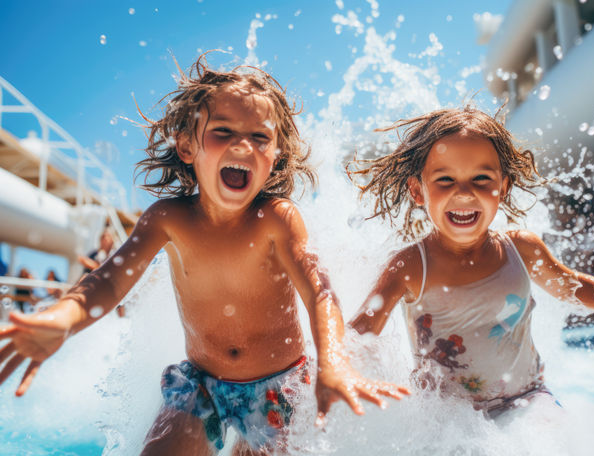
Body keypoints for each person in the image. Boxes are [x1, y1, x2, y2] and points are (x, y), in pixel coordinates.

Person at [0, 54, 407, 456]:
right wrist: (63, 316)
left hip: (278, 386)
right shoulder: (169, 219)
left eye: (260, 137)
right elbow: (109, 280)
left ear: (276, 156)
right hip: (200, 385)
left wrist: (333, 361)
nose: (243, 145)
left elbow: (319, 292)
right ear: (187, 146)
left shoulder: (276, 219)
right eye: (223, 131)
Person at [347, 107, 594, 421]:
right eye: (445, 180)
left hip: (526, 400)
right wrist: (333, 368)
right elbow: (361, 332)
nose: (464, 193)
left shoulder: (520, 248)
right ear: (417, 191)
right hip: (447, 419)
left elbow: (574, 287)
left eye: (481, 179)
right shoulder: (410, 266)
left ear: (503, 187)